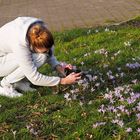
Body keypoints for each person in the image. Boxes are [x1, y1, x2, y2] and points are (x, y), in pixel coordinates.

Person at [0, 17, 81, 98]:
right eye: (44, 50)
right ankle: (5, 85)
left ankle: (18, 82)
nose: (47, 52)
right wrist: (63, 81)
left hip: (7, 54)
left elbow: (48, 53)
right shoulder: (20, 44)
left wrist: (58, 67)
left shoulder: (41, 29)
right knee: (40, 57)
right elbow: (34, 77)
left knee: (42, 56)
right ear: (32, 46)